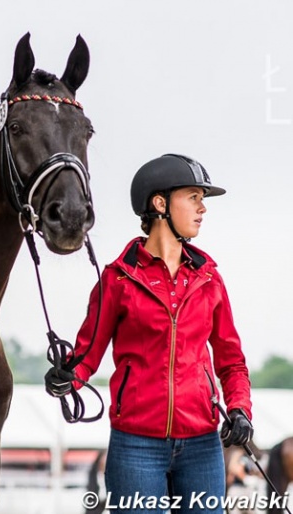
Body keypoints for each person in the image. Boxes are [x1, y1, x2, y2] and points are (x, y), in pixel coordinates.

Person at [45, 154, 253, 514]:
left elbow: (232, 362)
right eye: (193, 197)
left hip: (202, 446)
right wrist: (66, 378)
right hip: (135, 448)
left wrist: (239, 409)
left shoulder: (209, 280)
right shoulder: (117, 280)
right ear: (160, 203)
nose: (203, 208)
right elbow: (86, 356)